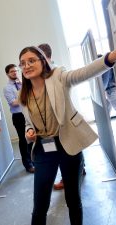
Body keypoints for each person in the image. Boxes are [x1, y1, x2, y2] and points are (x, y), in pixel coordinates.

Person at [18, 31, 116, 225]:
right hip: (43, 149)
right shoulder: (24, 94)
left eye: (31, 60)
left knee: (72, 198)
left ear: (43, 61)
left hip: (68, 143)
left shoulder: (59, 77)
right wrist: (29, 131)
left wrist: (114, 55)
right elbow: (29, 121)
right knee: (40, 203)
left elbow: (85, 72)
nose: (26, 66)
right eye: (22, 63)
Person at [38, 43, 86, 191]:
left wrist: (110, 59)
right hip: (50, 126)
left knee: (69, 148)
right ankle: (79, 169)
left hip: (63, 120)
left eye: (39, 58)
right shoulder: (40, 76)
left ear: (46, 57)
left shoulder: (58, 71)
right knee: (66, 149)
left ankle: (69, 177)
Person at [3, 64, 35, 173]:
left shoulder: (23, 83)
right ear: (7, 74)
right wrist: (25, 95)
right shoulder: (7, 88)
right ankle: (28, 165)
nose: (15, 73)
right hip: (18, 116)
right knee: (23, 140)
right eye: (12, 71)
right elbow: (14, 103)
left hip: (29, 113)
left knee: (32, 138)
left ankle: (34, 160)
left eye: (16, 70)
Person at [98, 54, 116, 129]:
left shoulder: (104, 66)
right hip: (112, 88)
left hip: (110, 89)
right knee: (109, 109)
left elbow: (105, 81)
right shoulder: (107, 63)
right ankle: (107, 127)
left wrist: (102, 90)